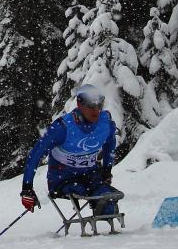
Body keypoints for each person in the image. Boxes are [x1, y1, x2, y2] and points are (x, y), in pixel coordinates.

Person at [20, 85, 120, 216]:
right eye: (91, 106)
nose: (95, 110)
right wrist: (27, 188)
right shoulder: (62, 127)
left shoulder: (105, 123)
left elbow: (110, 144)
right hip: (63, 179)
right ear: (79, 104)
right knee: (79, 189)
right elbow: (36, 154)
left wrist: (107, 171)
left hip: (90, 176)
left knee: (108, 204)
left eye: (99, 105)